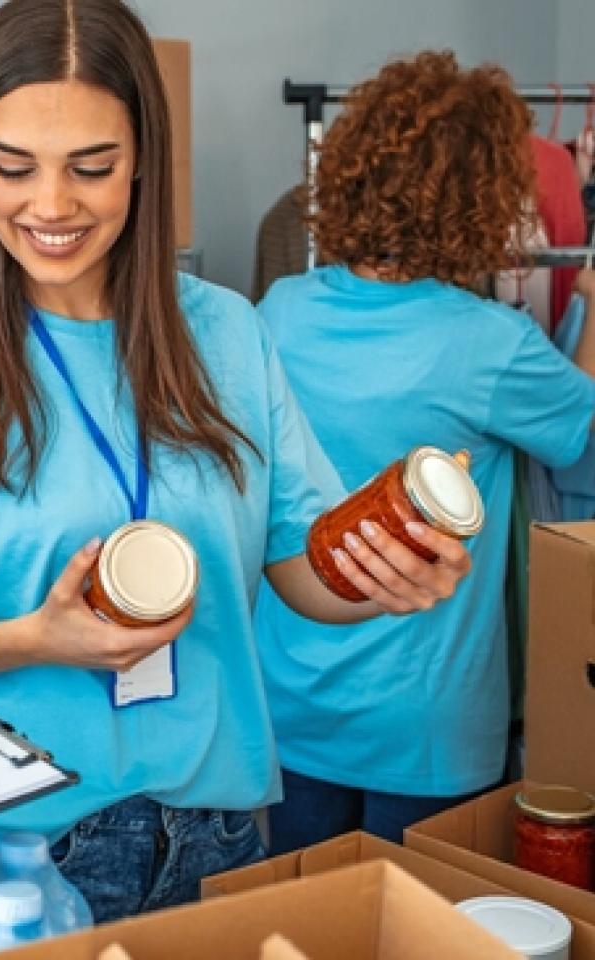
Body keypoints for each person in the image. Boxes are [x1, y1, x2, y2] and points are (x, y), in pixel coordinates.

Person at [0, 0, 471, 925]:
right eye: (15, 168)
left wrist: (389, 571)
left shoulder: (230, 336)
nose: (50, 206)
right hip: (27, 847)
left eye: (92, 167)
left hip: (225, 830)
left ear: (143, 160)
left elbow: (303, 571)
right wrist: (33, 638)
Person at [253, 52, 595, 854]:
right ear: (483, 200)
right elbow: (584, 430)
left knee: (298, 930)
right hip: (428, 723)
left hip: (293, 700)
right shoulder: (489, 343)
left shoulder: (280, 310)